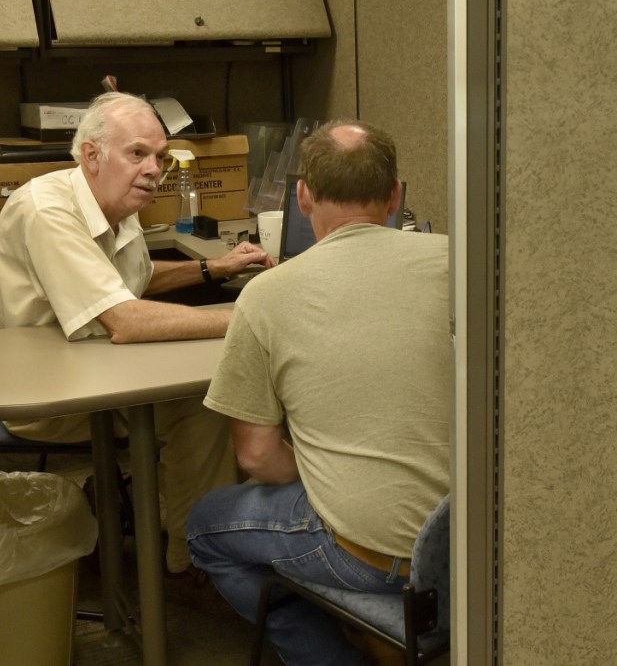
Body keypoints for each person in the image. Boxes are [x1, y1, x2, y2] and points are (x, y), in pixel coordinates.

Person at [0, 91, 276, 584]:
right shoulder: (47, 210)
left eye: (159, 156)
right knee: (205, 404)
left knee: (211, 394)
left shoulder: (114, 203)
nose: (153, 169)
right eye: (137, 153)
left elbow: (129, 279)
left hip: (94, 368)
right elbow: (125, 318)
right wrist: (251, 316)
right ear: (92, 156)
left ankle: (158, 511)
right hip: (47, 397)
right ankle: (193, 565)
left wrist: (211, 268)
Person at [187, 120, 451, 665]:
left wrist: (338, 476)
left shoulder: (264, 296)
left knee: (206, 525)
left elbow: (258, 456)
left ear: (302, 196)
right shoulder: (464, 263)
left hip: (373, 559)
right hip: (473, 540)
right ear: (397, 194)